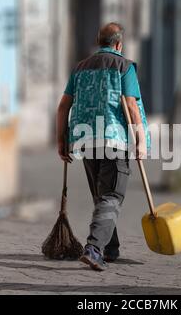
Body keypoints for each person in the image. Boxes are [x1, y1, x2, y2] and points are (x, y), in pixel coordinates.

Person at [55, 22, 150, 271]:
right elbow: (130, 105)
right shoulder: (124, 66)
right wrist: (140, 140)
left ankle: (111, 248)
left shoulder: (79, 68)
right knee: (111, 196)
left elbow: (63, 106)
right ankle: (94, 248)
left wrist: (61, 139)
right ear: (119, 44)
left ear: (100, 42)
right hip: (113, 140)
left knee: (102, 196)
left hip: (85, 141)